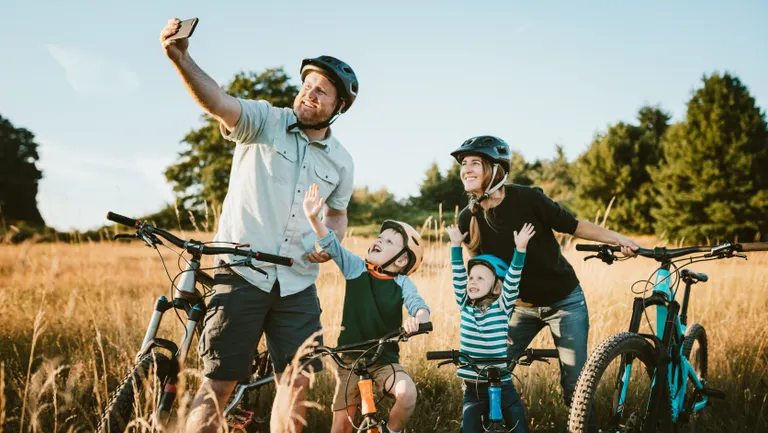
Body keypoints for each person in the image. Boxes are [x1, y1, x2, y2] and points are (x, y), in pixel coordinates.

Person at [160, 18, 358, 433]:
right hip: (241, 273)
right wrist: (181, 59)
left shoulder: (341, 161)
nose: (309, 93)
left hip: (298, 283)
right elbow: (216, 101)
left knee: (297, 383)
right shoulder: (264, 120)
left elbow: (337, 215)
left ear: (339, 107)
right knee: (220, 382)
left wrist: (330, 243)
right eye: (307, 85)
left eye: (322, 91)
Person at [449, 135, 642, 412]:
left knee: (576, 387)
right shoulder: (468, 218)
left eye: (474, 163)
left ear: (496, 169)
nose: (466, 169)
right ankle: (493, 424)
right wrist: (492, 321)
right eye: (464, 164)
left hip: (564, 302)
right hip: (517, 309)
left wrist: (618, 238)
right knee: (485, 373)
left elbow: (574, 226)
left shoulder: (528, 199)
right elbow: (482, 277)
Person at [303, 184, 431, 433]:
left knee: (407, 394)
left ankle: (390, 431)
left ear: (401, 260)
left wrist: (418, 319)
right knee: (341, 426)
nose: (378, 241)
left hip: (385, 360)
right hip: (349, 359)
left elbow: (419, 306)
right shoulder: (356, 268)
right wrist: (314, 218)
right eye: (379, 237)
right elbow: (331, 245)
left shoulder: (402, 283)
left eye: (389, 241)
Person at [446, 222, 536, 433]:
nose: (472, 281)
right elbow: (457, 274)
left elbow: (513, 278)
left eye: (480, 278)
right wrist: (455, 246)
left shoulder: (501, 307)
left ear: (496, 287)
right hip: (473, 386)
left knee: (519, 427)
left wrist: (520, 249)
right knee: (470, 428)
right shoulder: (465, 305)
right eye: (471, 277)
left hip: (503, 383)